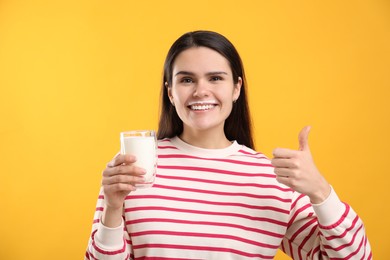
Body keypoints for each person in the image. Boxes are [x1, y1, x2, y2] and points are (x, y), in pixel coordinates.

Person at [85, 30, 372, 259]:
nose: (201, 91)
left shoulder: (272, 179)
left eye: (215, 78)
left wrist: (320, 190)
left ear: (236, 88)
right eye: (186, 79)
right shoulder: (135, 167)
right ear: (170, 92)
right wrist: (112, 207)